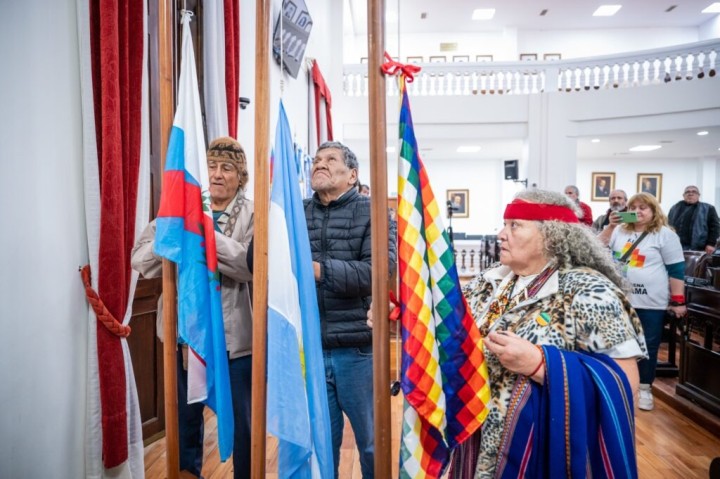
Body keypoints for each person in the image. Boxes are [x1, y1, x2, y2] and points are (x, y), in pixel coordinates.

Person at [447, 189, 647, 478]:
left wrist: (541, 364)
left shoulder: (590, 291)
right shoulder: (491, 280)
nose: (502, 234)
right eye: (504, 224)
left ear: (552, 235)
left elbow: (623, 384)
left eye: (515, 225)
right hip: (475, 434)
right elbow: (451, 323)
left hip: (538, 450)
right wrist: (407, 311)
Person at [131, 137, 254, 479]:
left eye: (226, 168)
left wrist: (204, 235)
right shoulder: (176, 212)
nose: (217, 174)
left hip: (233, 340)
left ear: (239, 177)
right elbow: (140, 261)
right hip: (184, 337)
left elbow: (248, 266)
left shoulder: (253, 214)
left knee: (241, 421)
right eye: (211, 167)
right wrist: (174, 237)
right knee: (185, 421)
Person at [304, 141, 397, 478]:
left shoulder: (374, 213)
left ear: (353, 175)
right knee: (320, 444)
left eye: (330, 160)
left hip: (357, 350)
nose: (320, 164)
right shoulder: (296, 211)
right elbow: (260, 262)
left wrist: (318, 270)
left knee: (371, 442)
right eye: (316, 160)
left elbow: (375, 273)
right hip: (310, 349)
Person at [609, 192, 686, 411]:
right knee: (617, 343)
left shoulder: (664, 235)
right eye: (634, 207)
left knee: (648, 346)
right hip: (621, 300)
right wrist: (609, 225)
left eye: (644, 207)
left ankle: (644, 388)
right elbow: (602, 252)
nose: (638, 211)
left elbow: (677, 269)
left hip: (651, 301)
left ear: (654, 211)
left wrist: (678, 300)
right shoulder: (618, 230)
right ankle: (620, 385)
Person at [667, 185, 720, 254]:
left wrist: (711, 244)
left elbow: (715, 228)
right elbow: (668, 226)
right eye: (687, 192)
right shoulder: (674, 208)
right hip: (676, 247)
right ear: (683, 195)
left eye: (694, 192)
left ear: (698, 195)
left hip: (699, 248)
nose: (690, 193)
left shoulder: (708, 208)